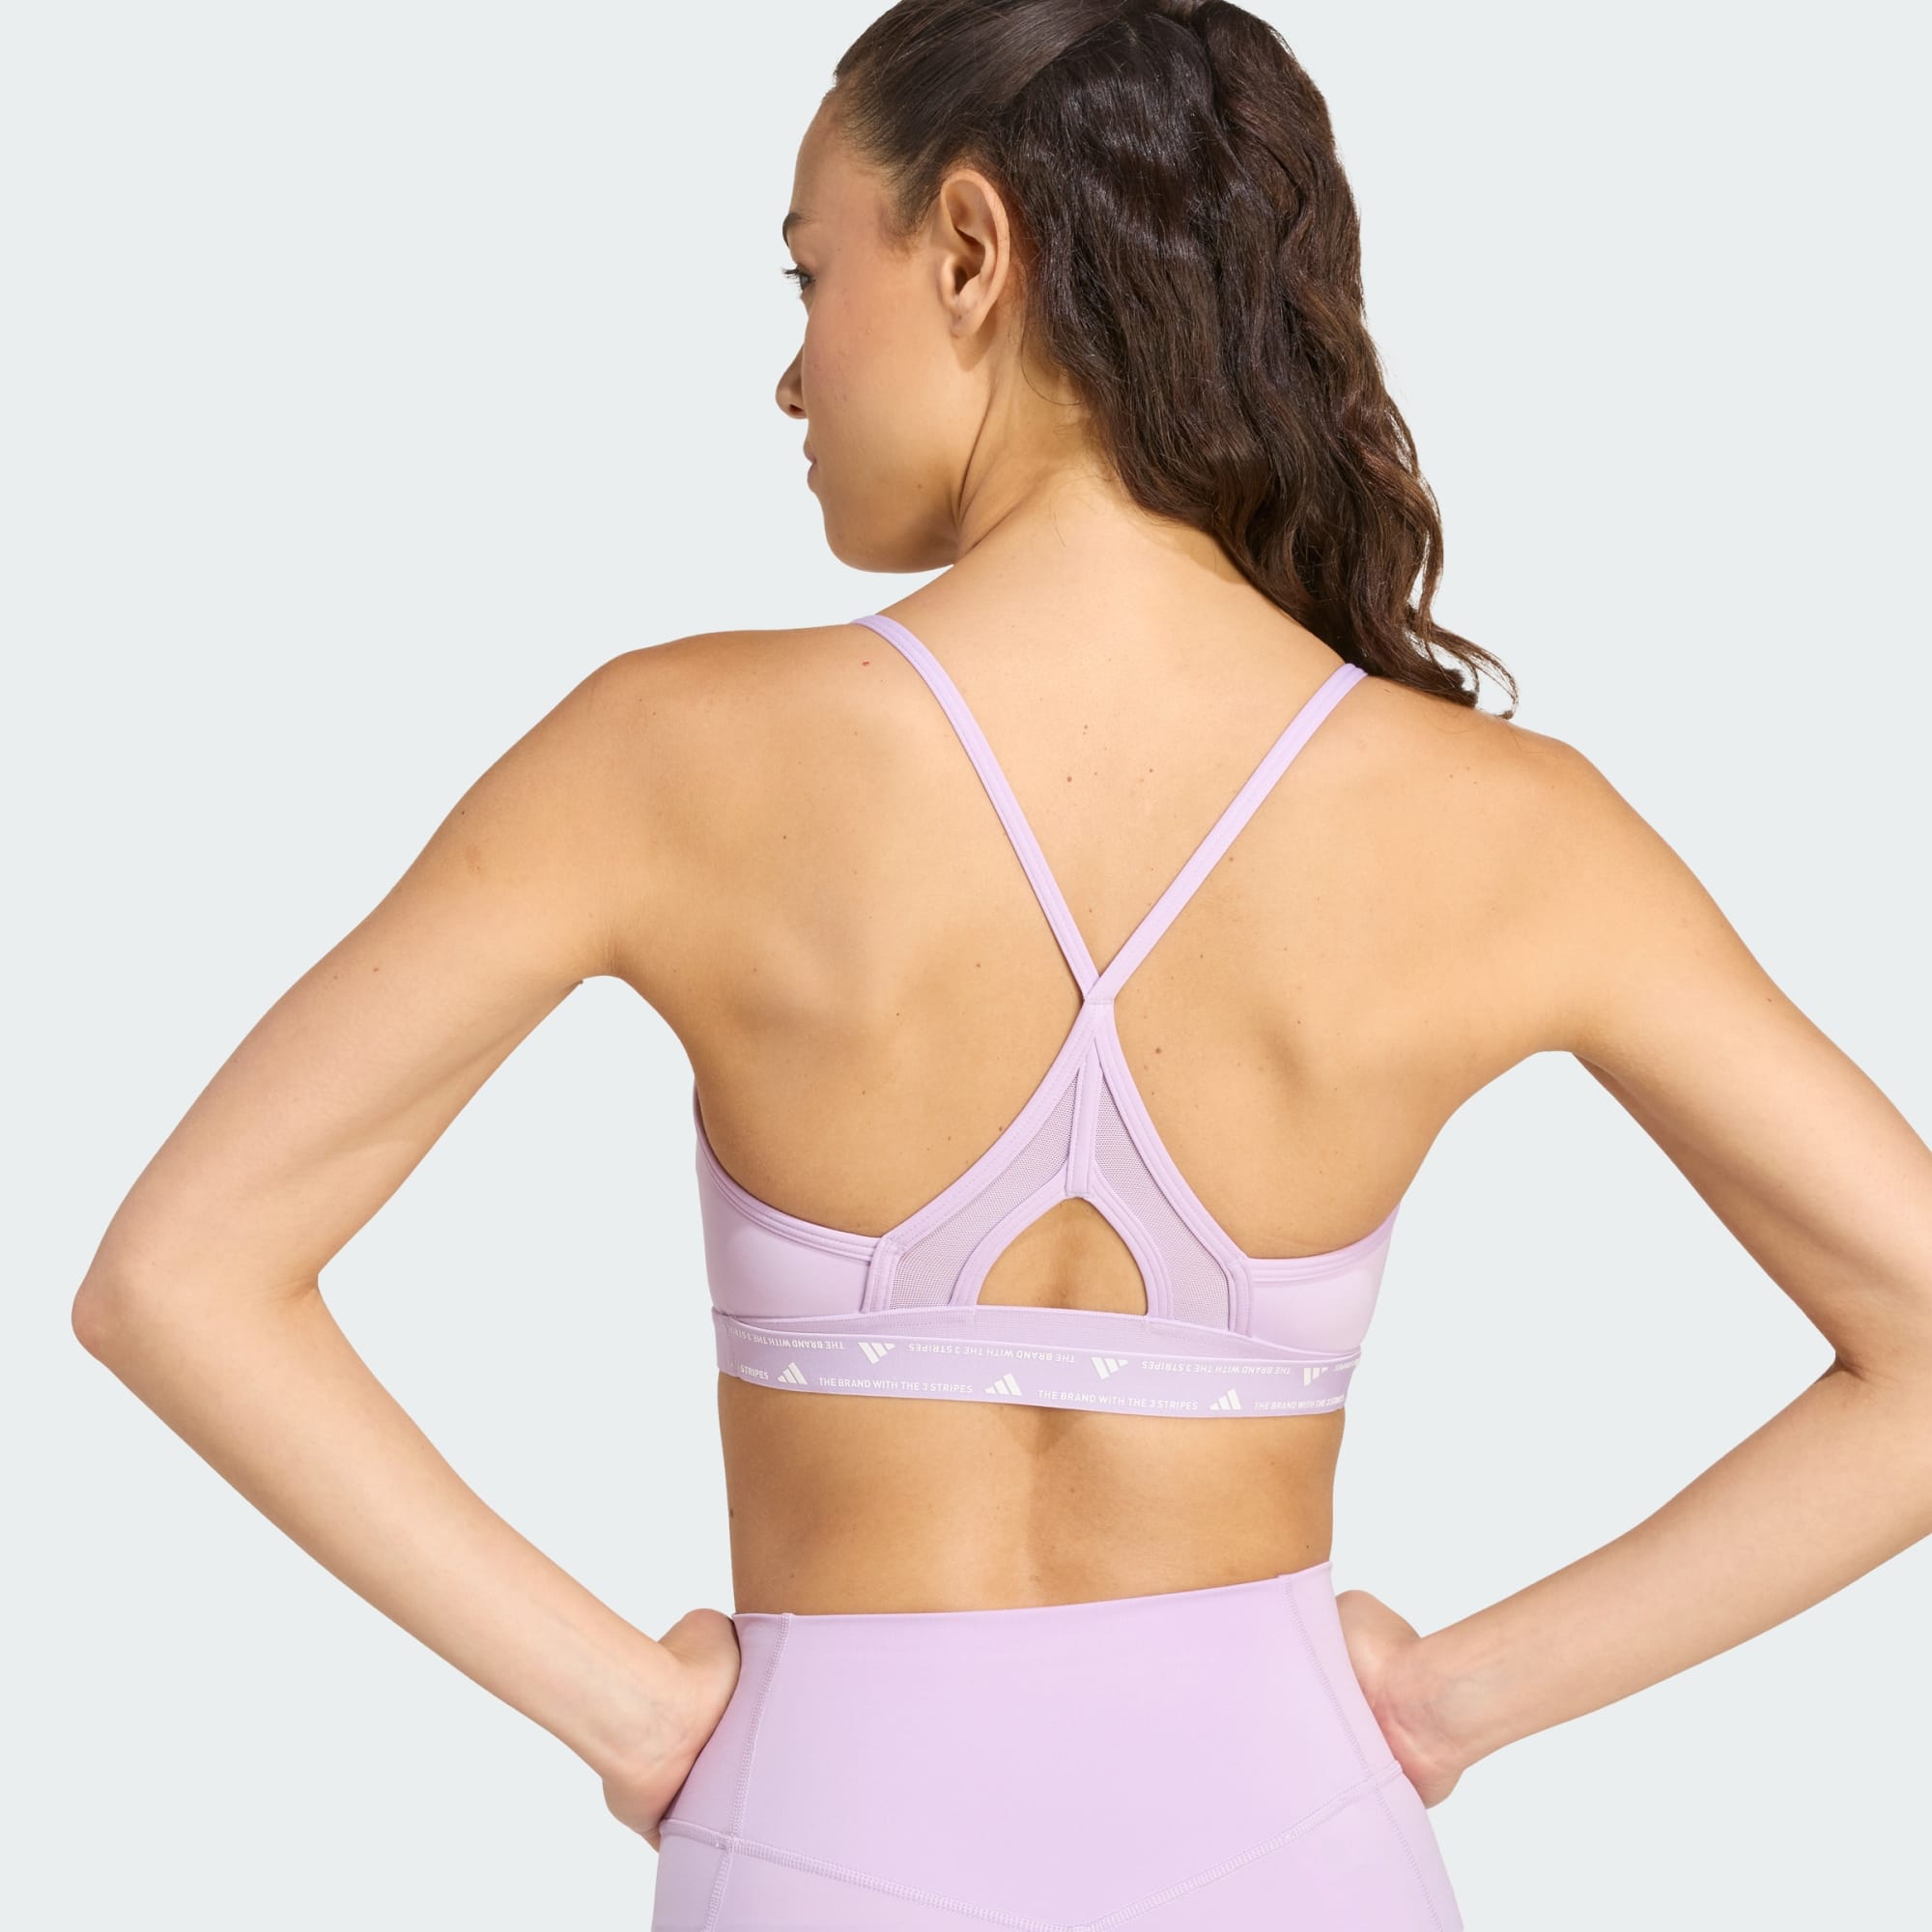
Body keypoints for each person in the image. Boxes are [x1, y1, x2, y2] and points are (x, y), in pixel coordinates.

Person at [71, 3, 1932, 1927]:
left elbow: (175, 1277)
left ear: (970, 248)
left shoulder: (669, 757)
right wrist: (1453, 1701)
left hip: (817, 1839)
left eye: (809, 275)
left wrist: (623, 1710)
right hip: (1298, 1840)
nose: (790, 375)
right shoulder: (1508, 830)